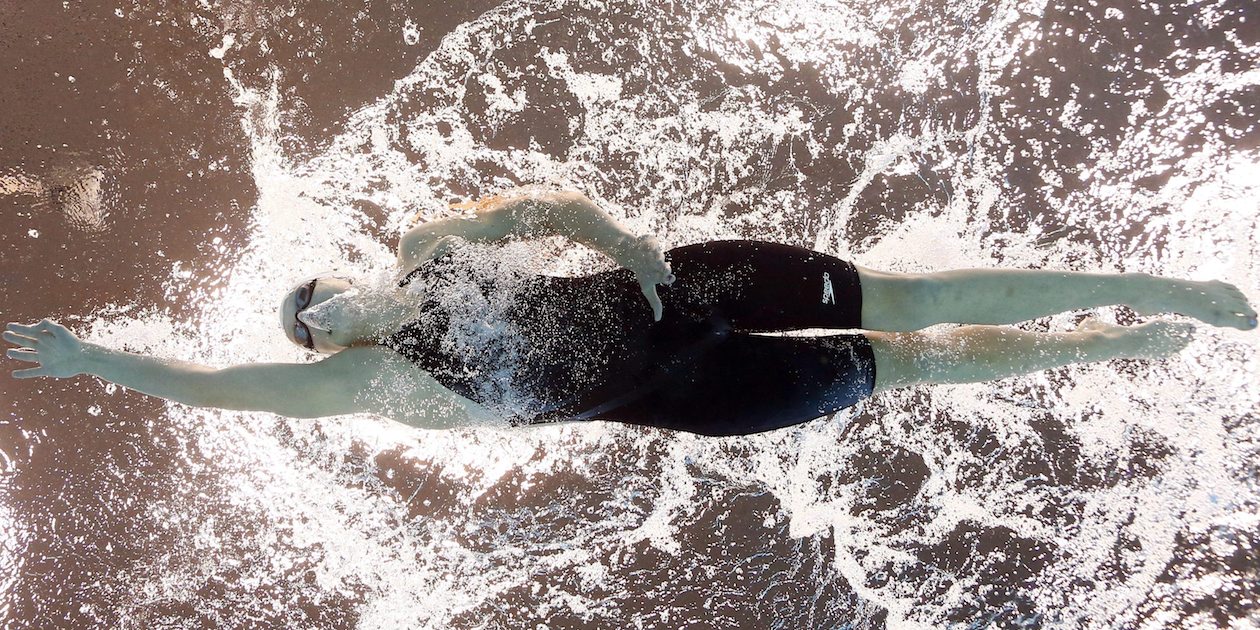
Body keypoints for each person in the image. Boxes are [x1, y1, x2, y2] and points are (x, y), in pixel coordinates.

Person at [4, 189, 1257, 436]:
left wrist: (617, 240)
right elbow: (210, 390)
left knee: (911, 295)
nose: (325, 319)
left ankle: (1143, 288)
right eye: (310, 323)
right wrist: (91, 357)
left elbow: (538, 205)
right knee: (909, 365)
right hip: (687, 396)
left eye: (319, 296)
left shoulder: (427, 251)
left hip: (682, 287)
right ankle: (1114, 344)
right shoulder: (363, 389)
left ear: (343, 282)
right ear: (323, 346)